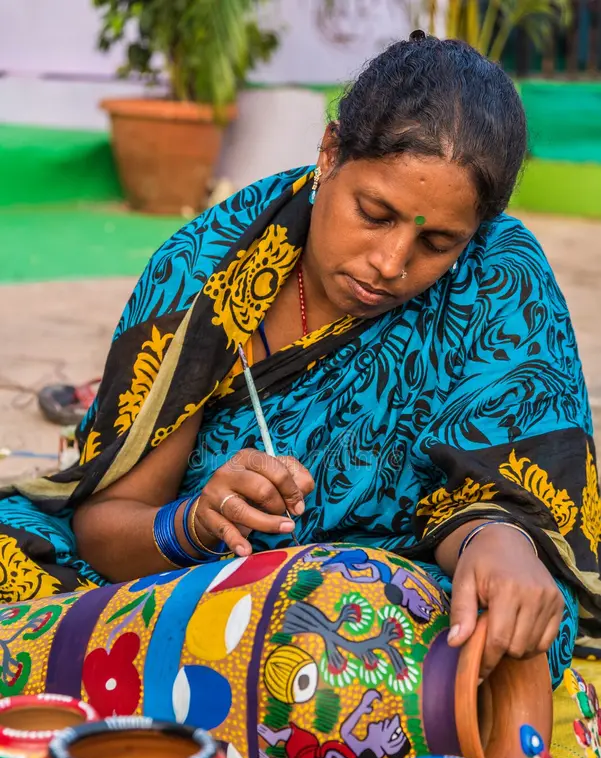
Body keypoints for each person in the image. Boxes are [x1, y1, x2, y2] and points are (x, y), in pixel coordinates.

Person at [1, 34, 599, 688]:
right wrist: (194, 521)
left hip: (378, 597)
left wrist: (499, 545)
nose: (390, 263)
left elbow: (514, 506)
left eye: (436, 242)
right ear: (329, 153)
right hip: (183, 582)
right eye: (373, 213)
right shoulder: (206, 269)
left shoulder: (496, 280)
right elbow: (105, 531)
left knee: (457, 634)